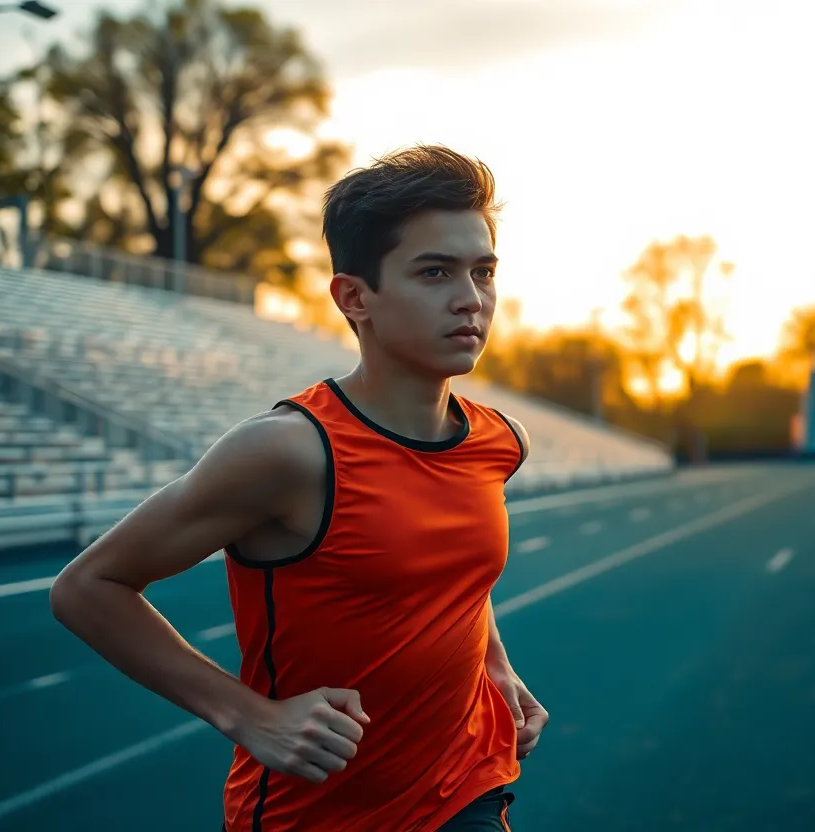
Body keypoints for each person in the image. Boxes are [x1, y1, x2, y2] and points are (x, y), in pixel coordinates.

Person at [49, 145, 548, 831]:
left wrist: (497, 665)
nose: (470, 299)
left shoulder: (496, 441)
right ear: (354, 298)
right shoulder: (288, 451)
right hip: (315, 816)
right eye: (435, 272)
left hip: (467, 793)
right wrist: (249, 716)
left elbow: (453, 574)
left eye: (482, 272)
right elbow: (86, 587)